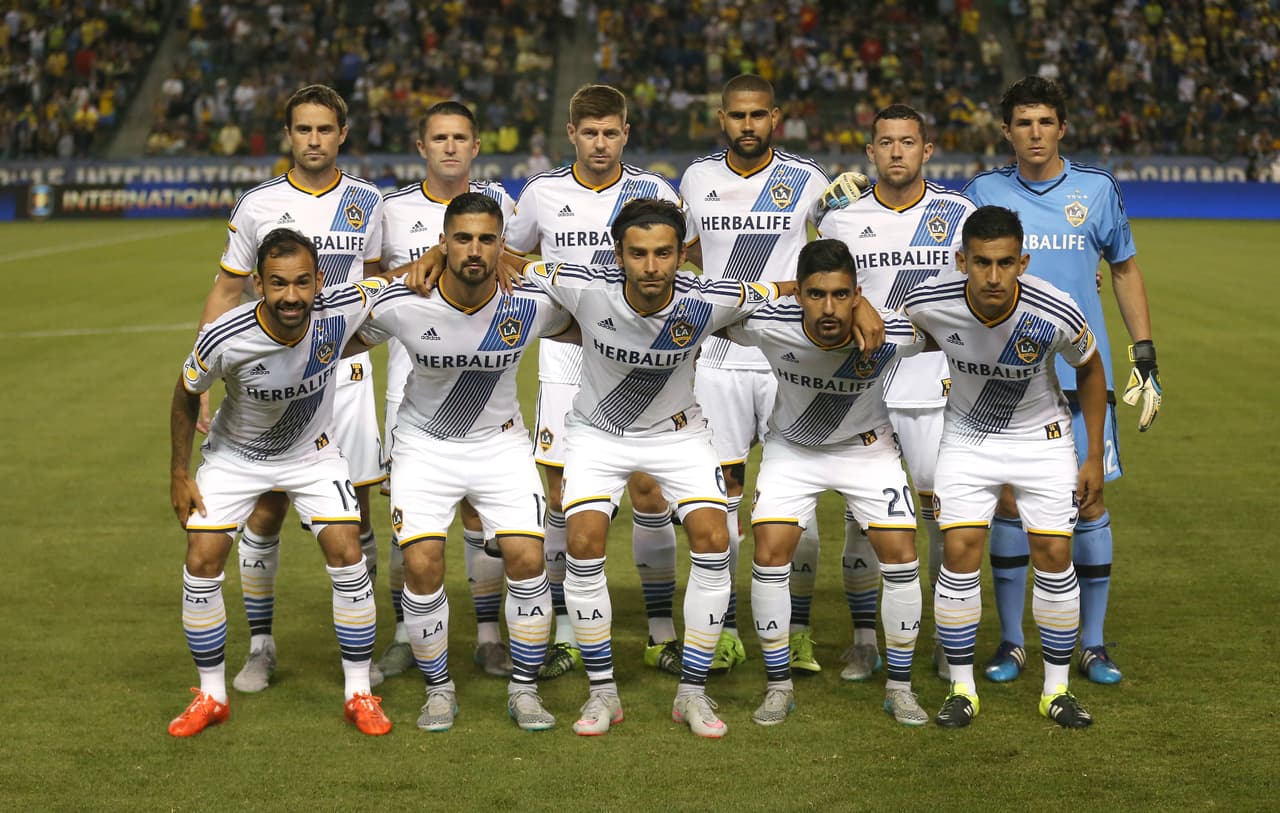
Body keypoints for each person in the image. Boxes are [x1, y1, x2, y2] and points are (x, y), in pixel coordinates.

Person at [520, 198, 794, 738]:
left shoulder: (710, 297)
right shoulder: (581, 285)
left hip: (680, 435)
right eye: (639, 254)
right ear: (618, 254)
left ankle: (692, 693)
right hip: (598, 434)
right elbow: (509, 263)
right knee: (582, 542)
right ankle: (604, 696)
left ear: (680, 255)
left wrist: (855, 304)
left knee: (716, 540)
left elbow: (783, 291)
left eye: (665, 253)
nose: (652, 266)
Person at [963, 77, 1161, 685]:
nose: (1035, 133)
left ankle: (1093, 644)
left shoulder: (1096, 190)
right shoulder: (982, 191)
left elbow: (1122, 269)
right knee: (1007, 504)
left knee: (1090, 501)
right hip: (1005, 383)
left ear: (1062, 128)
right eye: (1023, 123)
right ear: (1007, 131)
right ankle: (1013, 643)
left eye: (1045, 122)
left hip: (1082, 380)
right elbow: (959, 270)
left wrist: (1144, 348)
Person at [352, 194, 575, 732]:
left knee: (527, 557)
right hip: (424, 447)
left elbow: (600, 323)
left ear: (503, 245)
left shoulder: (531, 304)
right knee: (424, 564)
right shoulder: (403, 301)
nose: (474, 250)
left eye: (487, 239)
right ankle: (438, 691)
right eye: (462, 238)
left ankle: (524, 692)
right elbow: (331, 341)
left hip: (500, 445)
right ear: (442, 243)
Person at [199, 84, 387, 694]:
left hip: (345, 377)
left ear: (342, 133)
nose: (314, 140)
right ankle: (260, 646)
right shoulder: (259, 204)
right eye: (303, 129)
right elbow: (229, 290)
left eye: (324, 129)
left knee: (356, 512)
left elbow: (381, 283)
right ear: (289, 135)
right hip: (270, 380)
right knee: (265, 507)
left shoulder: (367, 201)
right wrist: (200, 378)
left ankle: (365, 652)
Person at [504, 84, 695, 679]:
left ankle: (660, 629)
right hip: (568, 358)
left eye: (611, 132)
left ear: (625, 133)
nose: (600, 143)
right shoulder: (541, 193)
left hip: (640, 355)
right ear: (572, 134)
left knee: (648, 491)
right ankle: (564, 627)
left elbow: (680, 265)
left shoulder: (654, 191)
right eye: (590, 133)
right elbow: (510, 260)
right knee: (563, 494)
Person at [168, 228, 390, 737]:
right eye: (278, 284)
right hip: (235, 457)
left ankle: (359, 691)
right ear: (259, 285)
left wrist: (441, 254)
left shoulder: (339, 310)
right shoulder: (224, 335)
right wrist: (179, 474)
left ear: (318, 281)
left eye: (303, 283)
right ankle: (211, 695)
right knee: (202, 559)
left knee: (347, 551)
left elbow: (398, 283)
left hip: (311, 455)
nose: (292, 296)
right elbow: (184, 394)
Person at [903, 205, 1104, 729]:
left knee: (1055, 553)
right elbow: (890, 332)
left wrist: (1095, 455)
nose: (993, 276)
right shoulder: (928, 303)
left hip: (1043, 440)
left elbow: (1090, 367)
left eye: (1005, 263)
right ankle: (962, 689)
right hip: (967, 441)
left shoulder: (1054, 309)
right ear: (960, 260)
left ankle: (1056, 690)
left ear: (1023, 262)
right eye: (981, 263)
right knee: (960, 552)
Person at [723, 239, 930, 727]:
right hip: (793, 451)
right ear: (799, 295)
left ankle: (899, 687)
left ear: (857, 293)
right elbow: (711, 304)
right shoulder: (769, 324)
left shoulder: (893, 333)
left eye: (841, 295)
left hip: (868, 450)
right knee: (770, 551)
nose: (829, 307)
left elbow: (954, 318)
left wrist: (874, 308)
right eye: (816, 294)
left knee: (901, 553)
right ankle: (778, 687)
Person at [818, 103, 977, 682]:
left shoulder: (959, 214)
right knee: (861, 519)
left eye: (908, 142)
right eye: (885, 143)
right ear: (871, 152)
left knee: (940, 515)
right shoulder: (841, 222)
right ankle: (864, 640)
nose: (897, 152)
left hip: (937, 386)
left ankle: (941, 635)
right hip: (865, 384)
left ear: (926, 150)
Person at [680, 73, 832, 675]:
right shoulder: (696, 178)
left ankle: (796, 630)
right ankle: (726, 628)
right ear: (722, 119)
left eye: (758, 116)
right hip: (717, 358)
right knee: (722, 499)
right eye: (737, 116)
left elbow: (839, 253)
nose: (748, 126)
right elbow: (683, 252)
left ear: (776, 117)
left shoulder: (809, 180)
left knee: (799, 498)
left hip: (788, 357)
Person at [376, 101, 517, 682]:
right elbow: (371, 286)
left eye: (461, 137)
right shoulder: (391, 210)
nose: (451, 147)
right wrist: (425, 259)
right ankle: (407, 636)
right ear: (422, 146)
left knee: (481, 513)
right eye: (440, 138)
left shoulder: (501, 205)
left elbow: (520, 266)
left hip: (484, 377)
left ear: (476, 145)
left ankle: (488, 636)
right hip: (410, 378)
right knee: (409, 518)